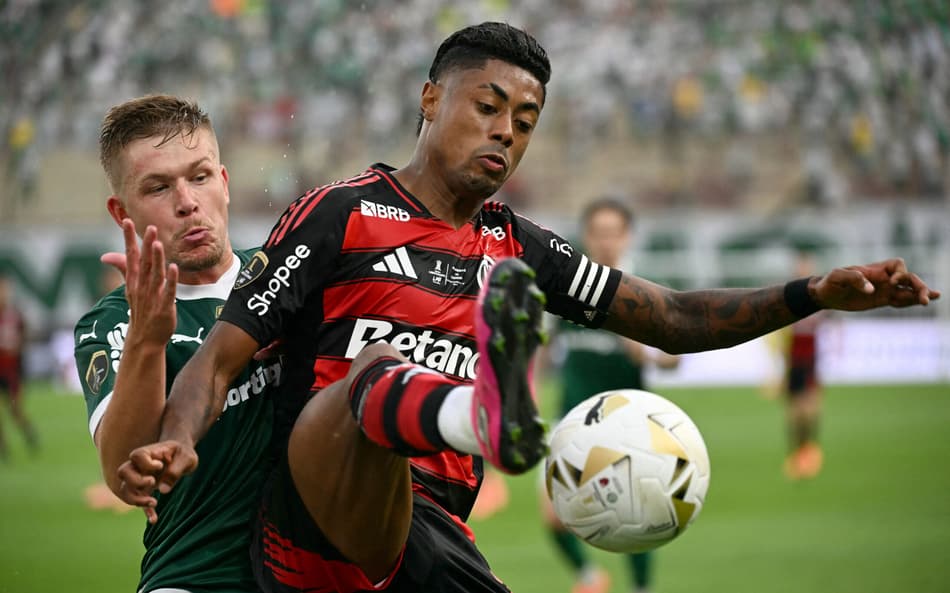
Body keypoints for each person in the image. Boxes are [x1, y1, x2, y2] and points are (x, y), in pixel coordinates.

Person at [117, 22, 938, 593]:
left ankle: (478, 421)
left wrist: (812, 293)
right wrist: (177, 441)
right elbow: (223, 353)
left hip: (428, 533)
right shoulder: (339, 213)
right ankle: (482, 418)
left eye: (526, 120)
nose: (507, 131)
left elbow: (675, 317)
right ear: (431, 99)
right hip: (311, 523)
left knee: (422, 496)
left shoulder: (519, 246)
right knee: (373, 372)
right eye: (489, 106)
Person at [72, 94, 281, 593]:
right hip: (194, 575)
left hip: (319, 576)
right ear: (121, 211)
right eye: (159, 187)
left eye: (200, 176)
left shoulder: (286, 277)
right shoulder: (109, 325)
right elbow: (126, 476)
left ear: (225, 184)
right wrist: (147, 341)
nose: (187, 201)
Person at [541, 198, 679, 593]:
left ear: (627, 236)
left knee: (636, 514)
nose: (605, 242)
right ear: (586, 237)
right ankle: (589, 575)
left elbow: (676, 359)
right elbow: (546, 348)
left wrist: (647, 354)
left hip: (627, 425)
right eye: (597, 233)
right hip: (570, 417)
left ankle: (639, 587)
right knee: (553, 516)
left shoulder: (646, 291)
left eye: (613, 233)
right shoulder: (567, 289)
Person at [778, 250, 826, 480]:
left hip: (810, 359)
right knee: (794, 413)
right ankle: (797, 454)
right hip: (793, 359)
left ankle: (809, 451)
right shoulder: (788, 296)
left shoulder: (820, 296)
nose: (802, 271)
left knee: (810, 409)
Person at [0, 272, 39, 460]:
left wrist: (18, 347)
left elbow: (25, 335)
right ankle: (4, 450)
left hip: (11, 371)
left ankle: (29, 433)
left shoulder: (15, 315)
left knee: (15, 411)